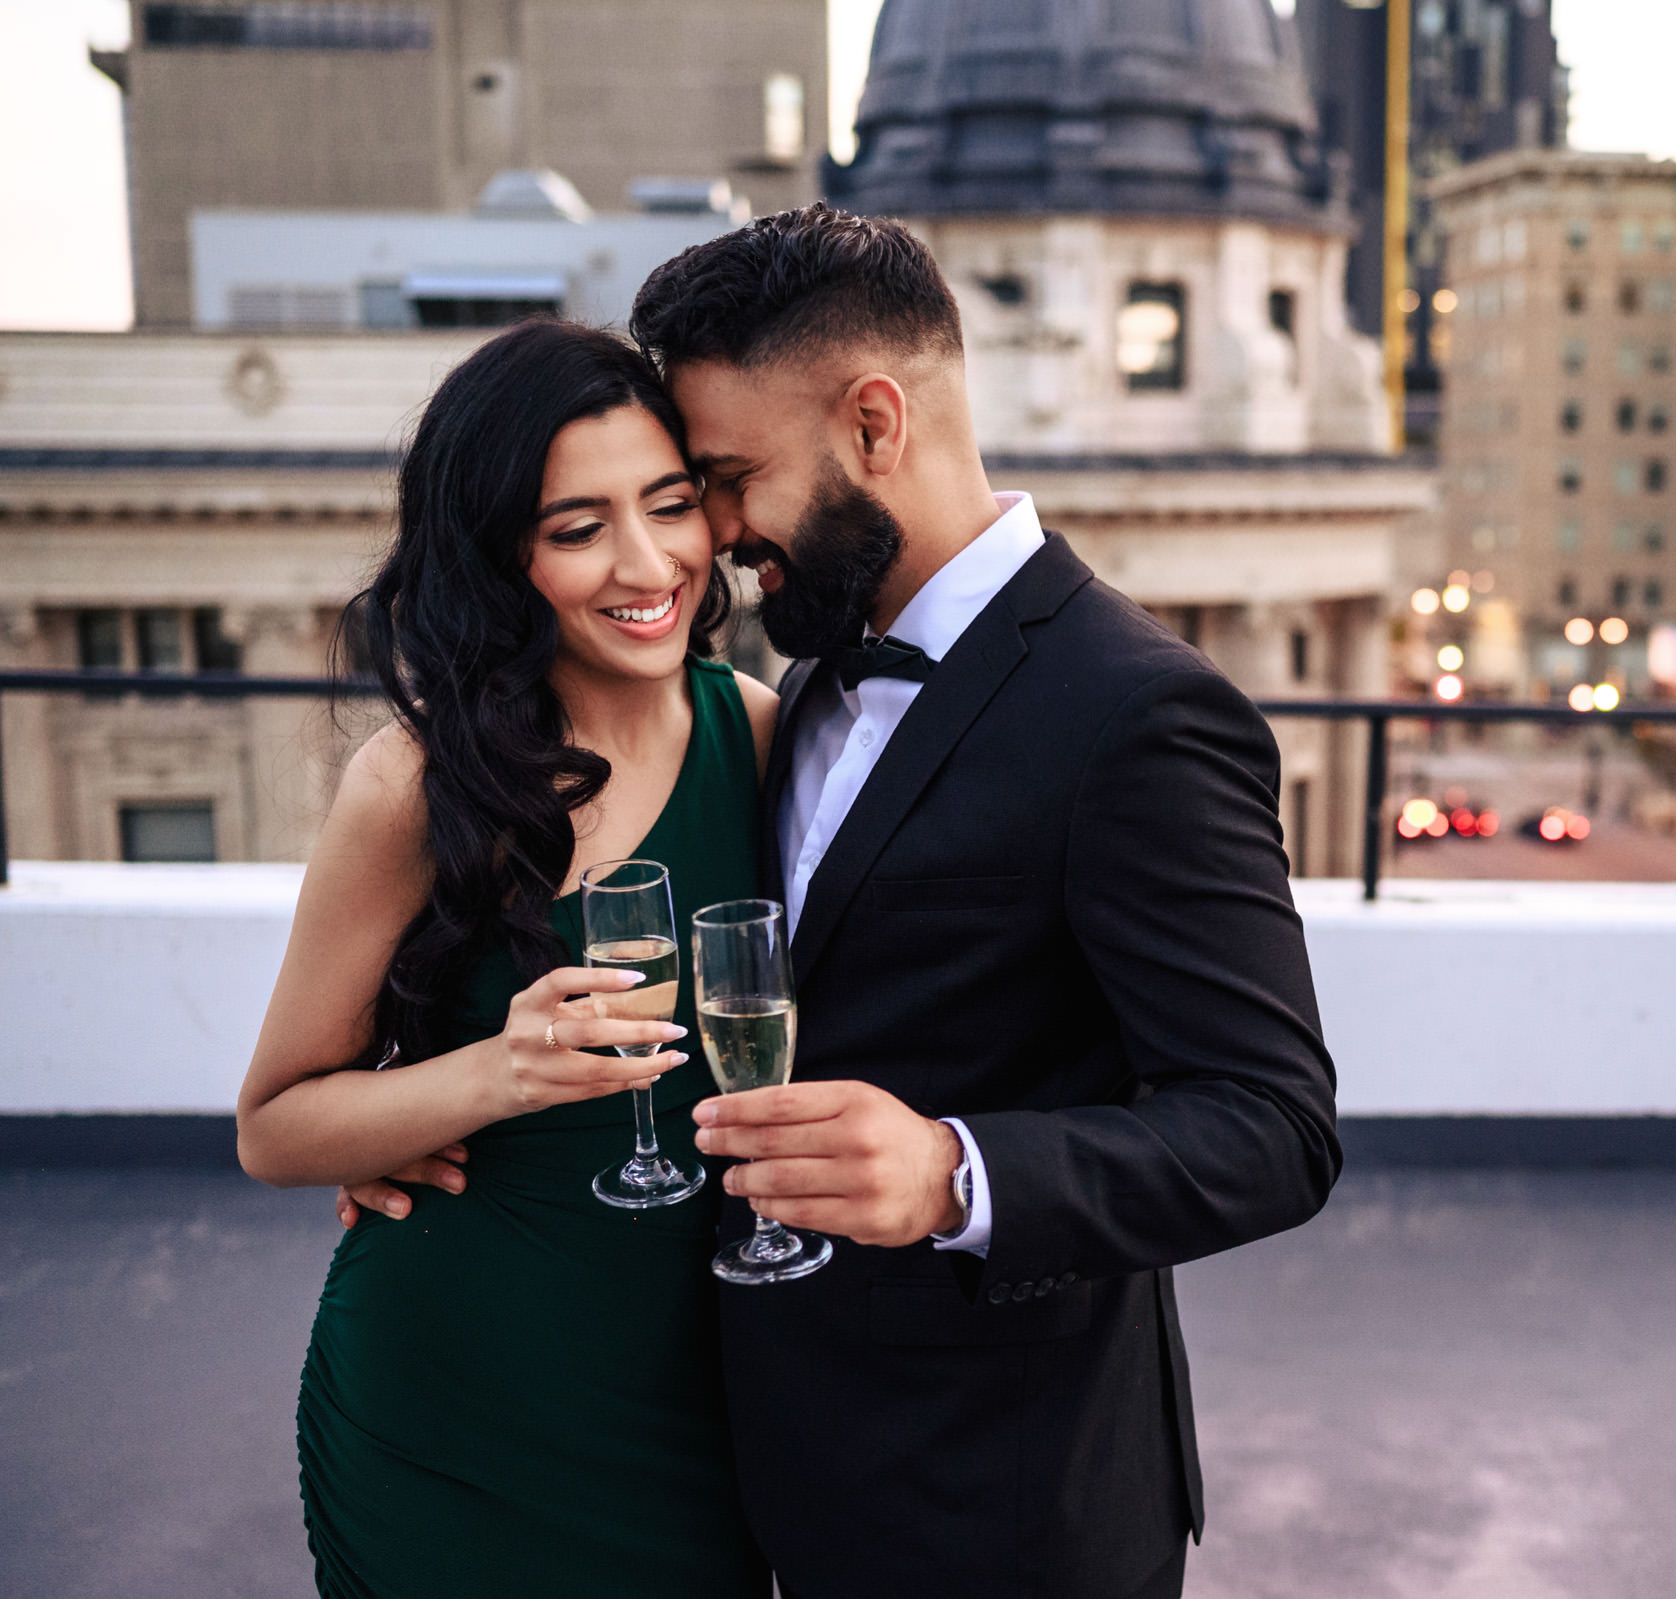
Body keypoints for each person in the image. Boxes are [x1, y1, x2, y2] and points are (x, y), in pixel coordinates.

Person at [641, 203, 1342, 1598]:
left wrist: (959, 1172)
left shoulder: (1141, 713)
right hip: (789, 1478)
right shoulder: (816, 674)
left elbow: (1272, 1127)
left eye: (730, 476)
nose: (714, 534)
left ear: (875, 424)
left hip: (1010, 1514)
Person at [237, 320, 777, 1599]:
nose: (649, 564)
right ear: (499, 555)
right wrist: (496, 1074)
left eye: (670, 505)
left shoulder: (759, 736)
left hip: (699, 1416)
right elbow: (273, 1127)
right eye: (577, 528)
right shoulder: (416, 786)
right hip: (456, 1419)